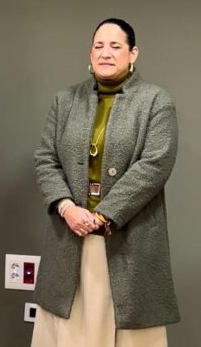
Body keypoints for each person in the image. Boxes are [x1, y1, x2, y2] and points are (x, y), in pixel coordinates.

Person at [31, 18, 180, 347]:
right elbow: (45, 159)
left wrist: (103, 214)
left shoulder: (156, 101)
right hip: (70, 235)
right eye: (98, 46)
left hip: (130, 240)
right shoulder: (65, 100)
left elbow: (155, 164)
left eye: (115, 46)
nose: (105, 53)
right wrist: (66, 207)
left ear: (133, 53)